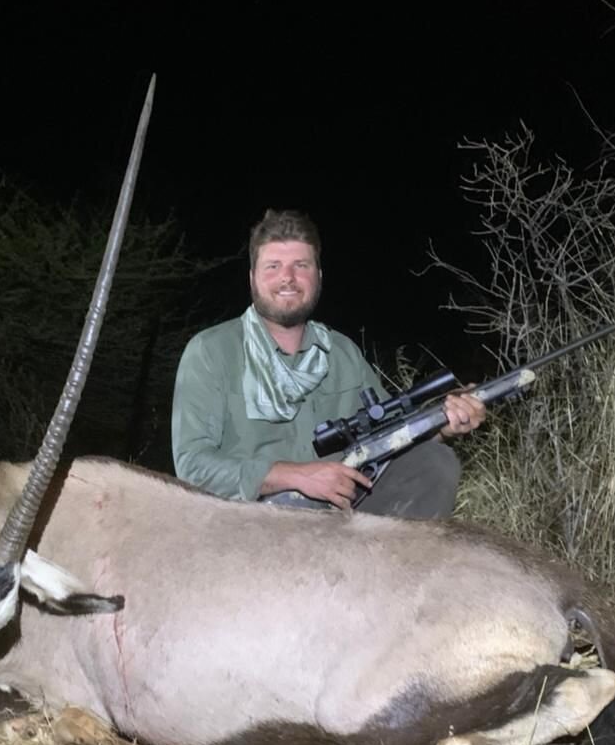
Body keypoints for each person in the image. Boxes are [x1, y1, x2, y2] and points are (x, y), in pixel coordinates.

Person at [170, 208, 486, 517]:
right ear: (252, 278)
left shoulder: (341, 352)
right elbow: (193, 465)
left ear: (318, 276)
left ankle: (386, 565)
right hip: (250, 523)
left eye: (301, 265)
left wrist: (441, 424)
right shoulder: (211, 350)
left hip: (336, 517)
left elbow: (390, 435)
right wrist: (293, 476)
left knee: (434, 462)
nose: (288, 278)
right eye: (273, 266)